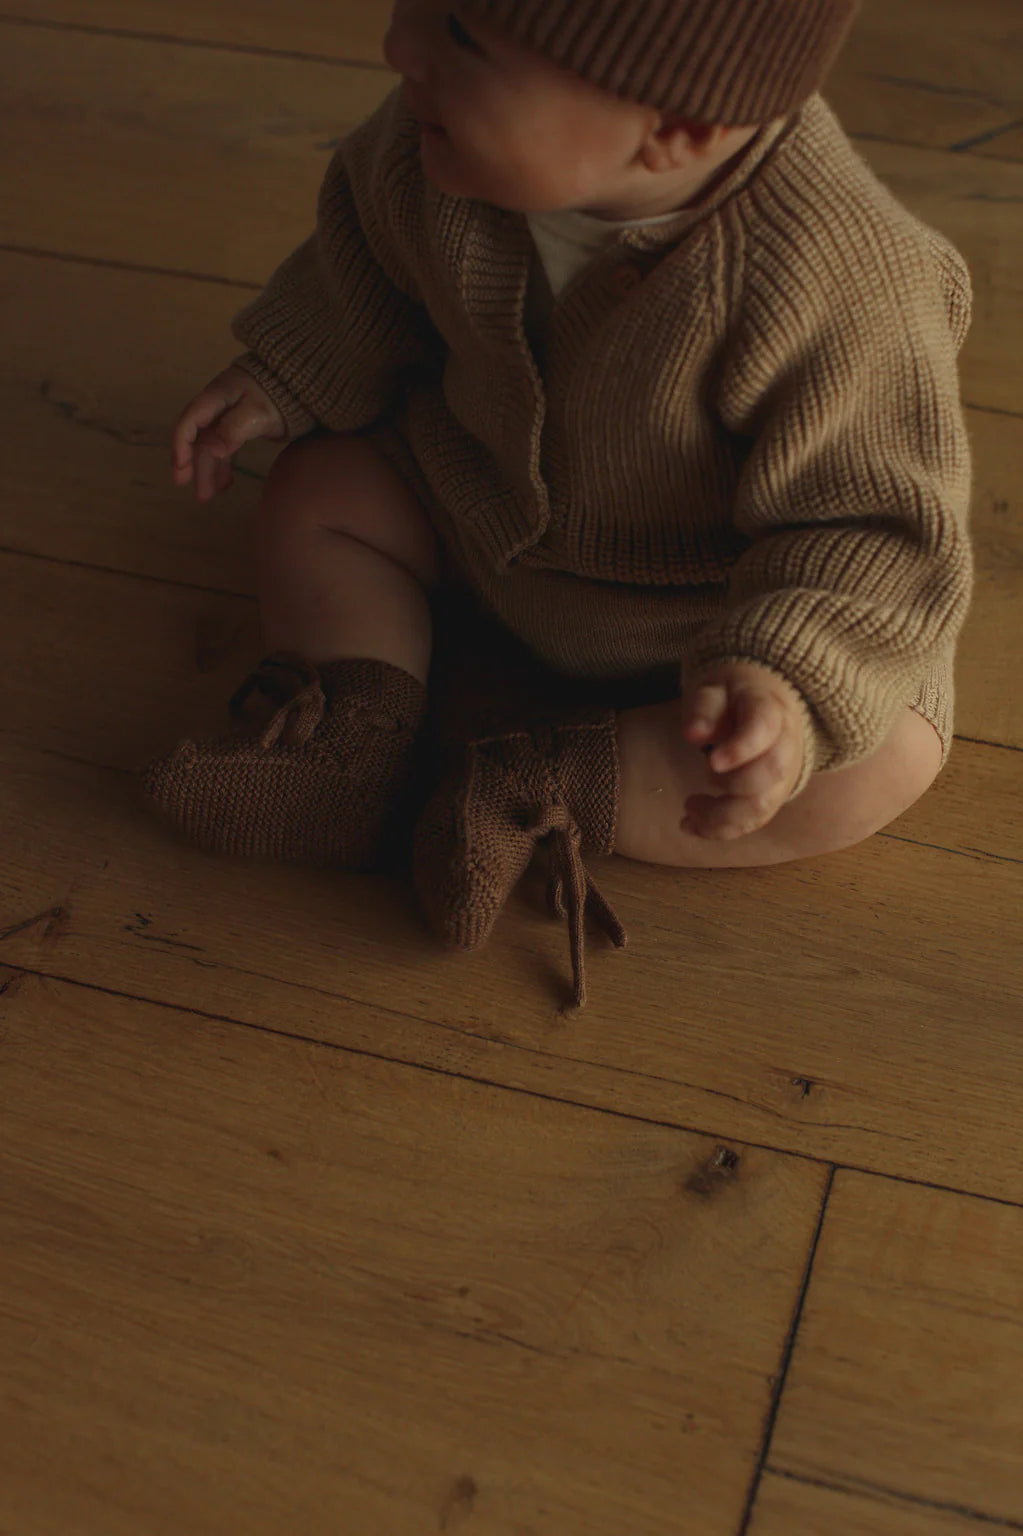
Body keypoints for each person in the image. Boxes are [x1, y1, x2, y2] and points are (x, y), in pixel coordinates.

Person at [143, 0, 973, 1007]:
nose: (401, 48)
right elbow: (361, 261)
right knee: (321, 488)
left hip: (700, 621)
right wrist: (290, 370)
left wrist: (783, 685)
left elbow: (872, 527)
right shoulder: (432, 139)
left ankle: (547, 787)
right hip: (478, 502)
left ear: (675, 128)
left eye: (462, 37)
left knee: (882, 757)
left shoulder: (842, 280)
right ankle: (349, 749)